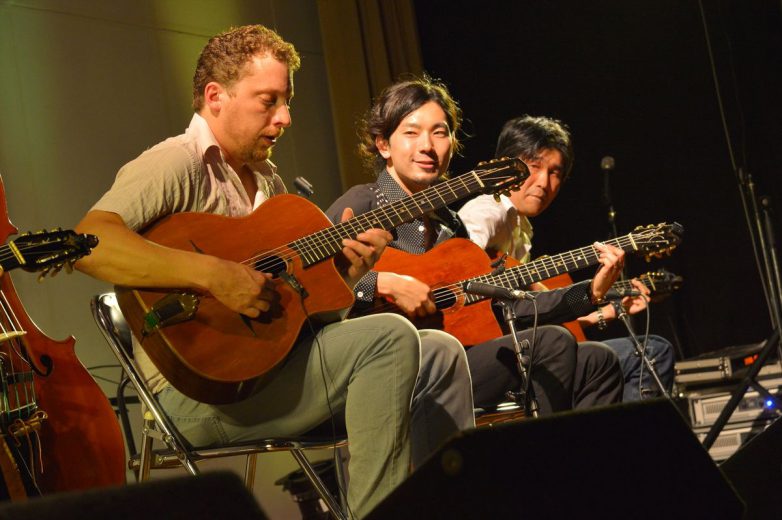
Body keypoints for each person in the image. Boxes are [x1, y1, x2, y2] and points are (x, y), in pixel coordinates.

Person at [74, 25, 474, 517]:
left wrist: (346, 275)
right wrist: (214, 275)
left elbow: (296, 314)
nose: (284, 117)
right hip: (199, 397)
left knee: (440, 351)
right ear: (216, 97)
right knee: (389, 337)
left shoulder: (268, 181)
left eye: (286, 102)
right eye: (268, 101)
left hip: (269, 372)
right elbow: (89, 244)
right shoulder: (175, 163)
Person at [325, 78, 624, 416]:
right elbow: (316, 286)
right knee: (552, 343)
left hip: (452, 359)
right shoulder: (362, 204)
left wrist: (590, 292)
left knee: (597, 360)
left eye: (440, 133)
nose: (427, 146)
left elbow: (500, 305)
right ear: (383, 145)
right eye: (411, 132)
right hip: (386, 367)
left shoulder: (451, 226)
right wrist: (384, 283)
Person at [458, 115, 675, 401]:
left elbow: (526, 313)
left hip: (523, 348)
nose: (543, 183)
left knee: (613, 355)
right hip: (481, 355)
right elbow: (455, 280)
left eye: (555, 173)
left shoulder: (521, 230)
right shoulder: (488, 211)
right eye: (534, 167)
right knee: (650, 352)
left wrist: (601, 310)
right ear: (506, 166)